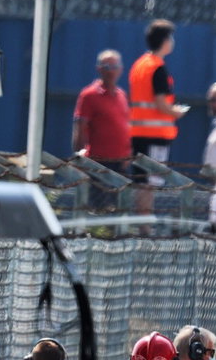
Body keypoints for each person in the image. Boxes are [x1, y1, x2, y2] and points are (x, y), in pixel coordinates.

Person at [129, 19, 187, 217]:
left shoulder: (139, 65)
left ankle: (141, 223)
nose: (172, 41)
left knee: (141, 180)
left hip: (138, 133)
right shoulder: (158, 68)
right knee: (150, 183)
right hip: (155, 135)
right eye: (170, 37)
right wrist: (176, 112)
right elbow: (161, 103)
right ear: (164, 40)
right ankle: (145, 225)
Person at [72, 50, 132, 201]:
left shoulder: (121, 95)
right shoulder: (89, 95)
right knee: (97, 206)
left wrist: (128, 154)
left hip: (120, 163)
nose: (110, 71)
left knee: (118, 206)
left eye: (114, 66)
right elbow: (80, 126)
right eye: (106, 66)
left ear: (121, 69)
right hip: (98, 163)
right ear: (99, 69)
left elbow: (125, 126)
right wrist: (79, 155)